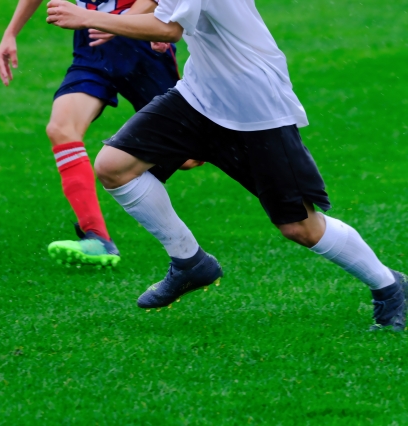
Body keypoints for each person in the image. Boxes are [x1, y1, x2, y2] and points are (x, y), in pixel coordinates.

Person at [46, 0, 408, 330]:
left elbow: (169, 29)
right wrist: (147, 23)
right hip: (199, 95)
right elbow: (171, 14)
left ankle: (389, 286)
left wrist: (91, 18)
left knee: (300, 227)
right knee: (114, 166)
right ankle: (189, 262)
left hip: (255, 104)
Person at [0, 0, 195, 269]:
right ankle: (98, 238)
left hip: (142, 48)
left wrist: (116, 23)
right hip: (91, 51)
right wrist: (11, 33)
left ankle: (250, 135)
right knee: (60, 128)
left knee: (188, 157)